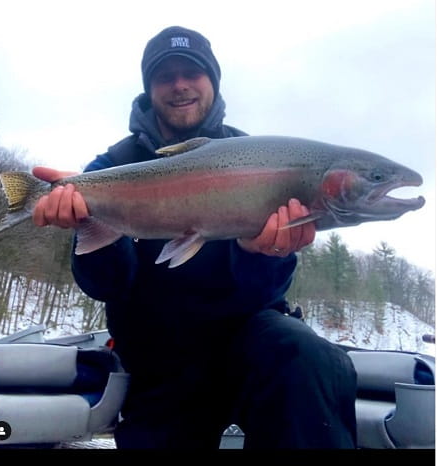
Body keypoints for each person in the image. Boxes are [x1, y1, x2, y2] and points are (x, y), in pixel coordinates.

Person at [31, 26, 357, 449]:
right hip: (158, 358)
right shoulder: (109, 168)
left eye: (192, 73)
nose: (180, 85)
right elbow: (105, 286)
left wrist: (260, 254)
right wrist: (94, 230)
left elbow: (267, 293)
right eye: (166, 76)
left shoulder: (258, 157)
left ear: (212, 82)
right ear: (150, 89)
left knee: (308, 357)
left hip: (248, 342)